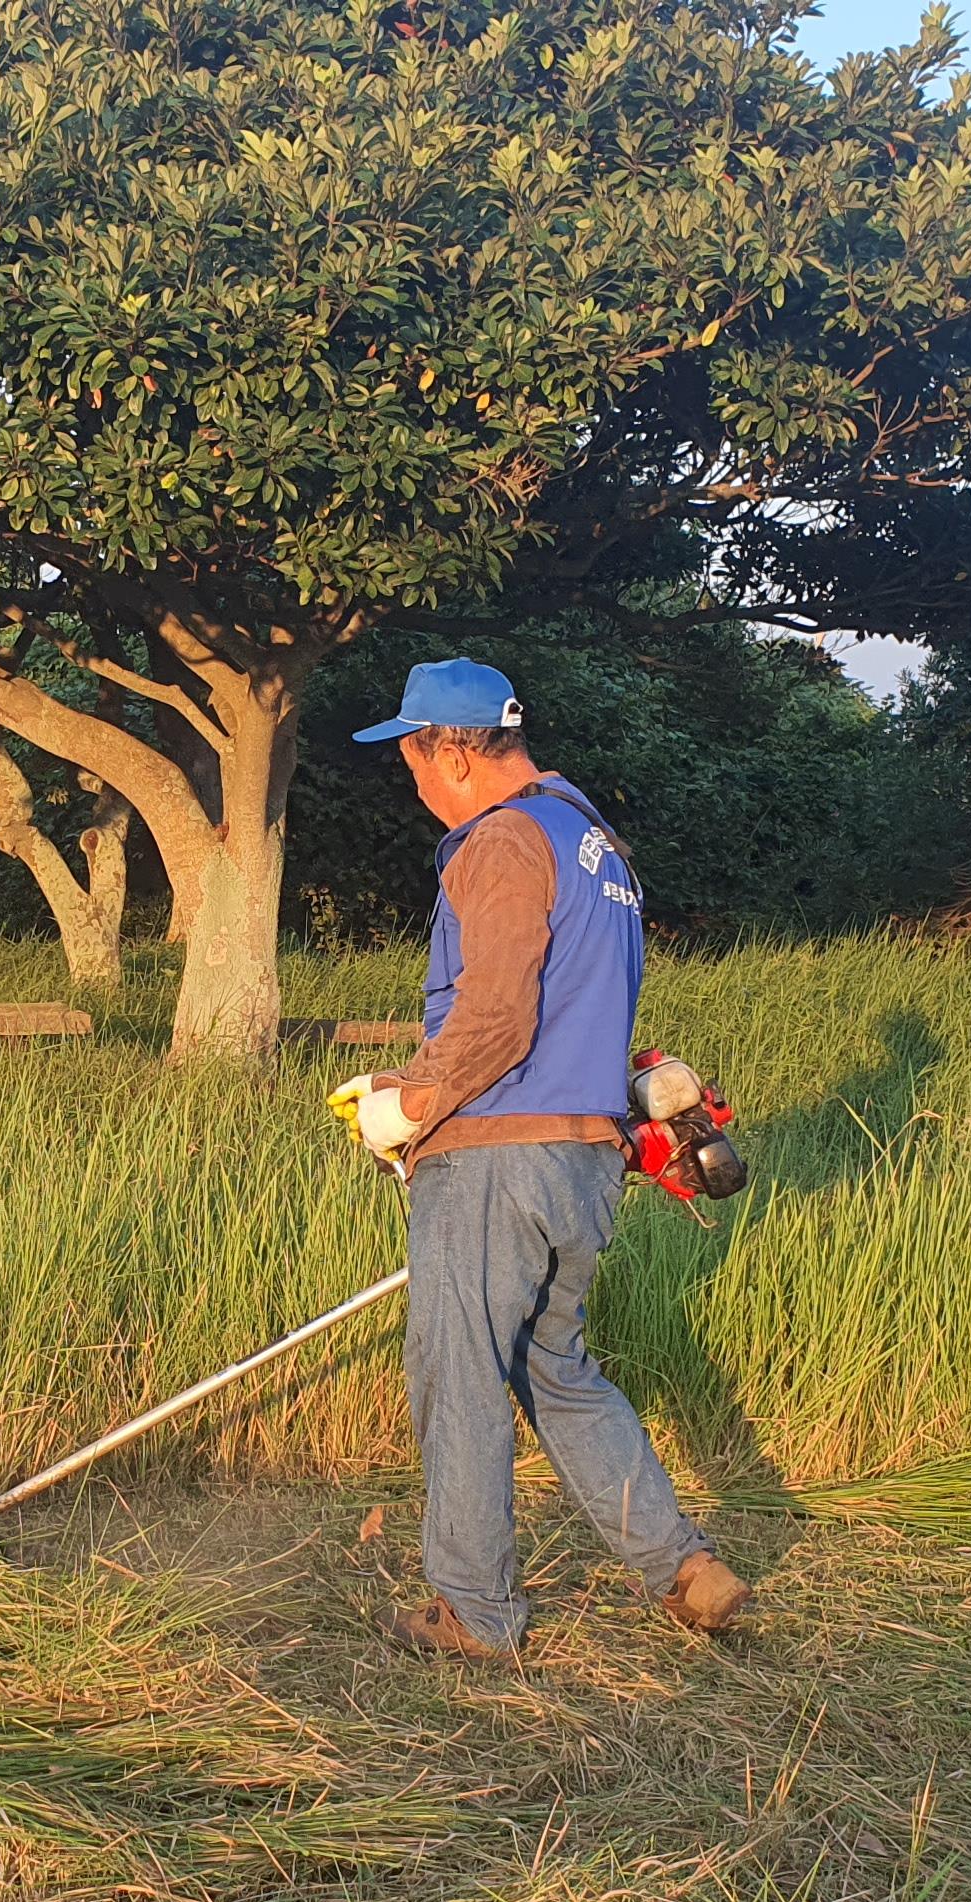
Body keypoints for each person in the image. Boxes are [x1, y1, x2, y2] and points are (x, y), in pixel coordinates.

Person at [331, 658, 751, 1662]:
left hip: (496, 1160)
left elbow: (499, 1016)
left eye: (413, 756)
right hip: (583, 1156)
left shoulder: (505, 840)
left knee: (459, 1374)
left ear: (455, 750)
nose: (413, 779)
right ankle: (686, 1569)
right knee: (554, 1370)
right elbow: (572, 1011)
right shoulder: (594, 841)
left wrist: (409, 1104)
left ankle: (474, 1612)